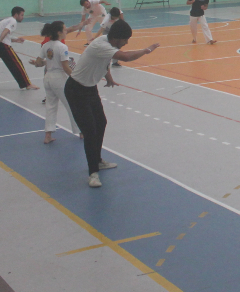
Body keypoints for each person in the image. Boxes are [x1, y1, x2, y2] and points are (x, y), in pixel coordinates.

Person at [63, 20, 160, 188]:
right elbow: (126, 57)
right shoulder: (100, 45)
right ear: (117, 38)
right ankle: (93, 173)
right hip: (76, 90)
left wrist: (108, 77)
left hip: (90, 88)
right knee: (90, 131)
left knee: (101, 123)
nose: (127, 43)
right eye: (126, 39)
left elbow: (105, 62)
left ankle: (98, 160)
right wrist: (146, 50)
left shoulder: (107, 44)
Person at [31, 21, 81, 144]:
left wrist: (37, 63)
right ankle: (81, 131)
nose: (66, 31)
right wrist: (77, 79)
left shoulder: (46, 45)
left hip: (47, 78)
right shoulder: (62, 47)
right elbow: (65, 67)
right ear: (58, 32)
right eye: (64, 29)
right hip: (59, 79)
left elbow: (39, 63)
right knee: (72, 105)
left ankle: (48, 135)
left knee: (51, 106)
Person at [0, 7, 38, 93]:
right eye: (21, 15)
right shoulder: (13, 21)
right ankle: (27, 84)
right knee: (17, 63)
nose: (22, 17)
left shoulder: (4, 20)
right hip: (2, 45)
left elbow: (4, 35)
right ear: (16, 14)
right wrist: (0, 40)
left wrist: (16, 40)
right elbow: (6, 31)